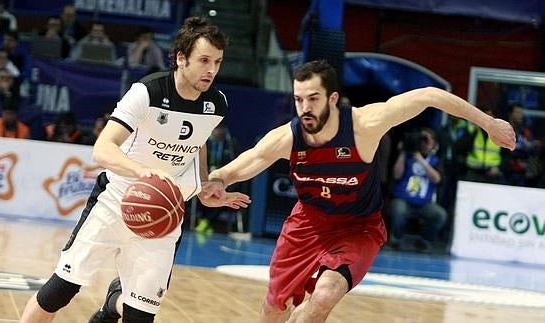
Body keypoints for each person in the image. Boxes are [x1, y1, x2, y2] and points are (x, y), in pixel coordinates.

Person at [203, 60, 516, 323]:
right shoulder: (288, 137)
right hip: (307, 225)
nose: (305, 108)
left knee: (324, 296)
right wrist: (218, 178)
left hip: (357, 228)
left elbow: (429, 94)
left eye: (313, 99)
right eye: (299, 100)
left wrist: (488, 123)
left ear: (333, 98)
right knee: (275, 309)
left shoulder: (365, 124)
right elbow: (252, 159)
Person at [19, 16, 250, 323]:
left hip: (164, 215)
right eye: (204, 60)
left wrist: (205, 184)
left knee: (140, 317)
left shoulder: (216, 104)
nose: (211, 70)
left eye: (218, 62)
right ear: (181, 59)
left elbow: (199, 139)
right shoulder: (148, 92)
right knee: (59, 291)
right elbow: (103, 149)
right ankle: (115, 302)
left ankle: (113, 304)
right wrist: (143, 173)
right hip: (115, 201)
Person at [388, 127, 447, 252]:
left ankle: (424, 241)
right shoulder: (407, 156)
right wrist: (403, 152)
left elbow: (437, 179)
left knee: (439, 214)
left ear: (434, 144)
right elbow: (396, 175)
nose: (426, 142)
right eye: (423, 139)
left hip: (424, 203)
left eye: (429, 140)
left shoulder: (436, 160)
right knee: (398, 209)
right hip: (403, 199)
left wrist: (421, 161)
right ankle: (395, 239)